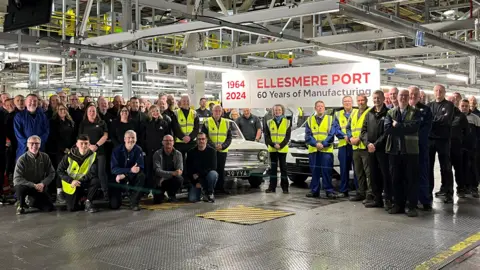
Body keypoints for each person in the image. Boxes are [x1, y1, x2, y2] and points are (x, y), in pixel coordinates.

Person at [384, 89, 421, 217]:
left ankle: (411, 206)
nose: (403, 98)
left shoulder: (415, 112)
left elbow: (414, 127)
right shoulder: (390, 112)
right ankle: (398, 205)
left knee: (411, 179)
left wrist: (398, 125)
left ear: (409, 97)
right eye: (401, 96)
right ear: (397, 97)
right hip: (394, 151)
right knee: (396, 179)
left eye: (406, 96)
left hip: (410, 151)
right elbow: (388, 129)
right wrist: (403, 127)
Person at [360, 90, 389, 209]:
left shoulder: (388, 113)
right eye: (374, 98)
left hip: (383, 150)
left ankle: (388, 199)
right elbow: (363, 131)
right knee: (373, 175)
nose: (376, 100)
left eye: (378, 98)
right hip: (371, 150)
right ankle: (377, 200)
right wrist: (368, 144)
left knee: (385, 175)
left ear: (383, 99)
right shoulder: (369, 113)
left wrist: (376, 144)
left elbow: (387, 132)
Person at [305, 101, 341, 198]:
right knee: (315, 171)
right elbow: (308, 136)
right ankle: (314, 191)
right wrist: (316, 144)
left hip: (326, 150)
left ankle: (329, 191)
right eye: (318, 106)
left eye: (322, 106)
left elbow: (331, 134)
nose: (320, 108)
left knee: (327, 172)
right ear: (315, 108)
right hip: (314, 150)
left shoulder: (330, 119)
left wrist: (323, 144)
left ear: (324, 108)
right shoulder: (309, 120)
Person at [57, 135, 100, 212]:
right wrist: (71, 181)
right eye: (81, 143)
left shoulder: (93, 155)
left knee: (96, 181)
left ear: (89, 144)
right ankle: (80, 199)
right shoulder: (69, 155)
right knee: (72, 208)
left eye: (86, 143)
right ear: (77, 144)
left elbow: (93, 172)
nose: (84, 146)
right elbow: (60, 171)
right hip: (71, 184)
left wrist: (81, 180)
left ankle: (88, 201)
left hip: (83, 181)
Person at [13, 135, 55, 215]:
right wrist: (33, 185)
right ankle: (20, 205)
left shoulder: (45, 157)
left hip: (39, 186)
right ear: (27, 145)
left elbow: (52, 173)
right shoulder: (22, 159)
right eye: (32, 143)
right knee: (19, 187)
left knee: (49, 208)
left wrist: (43, 183)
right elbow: (17, 179)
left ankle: (30, 201)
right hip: (26, 186)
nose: (34, 146)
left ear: (40, 145)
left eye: (37, 143)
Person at [427, 84, 455, 203]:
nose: (438, 93)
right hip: (430, 140)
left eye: (441, 91)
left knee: (446, 167)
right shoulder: (429, 105)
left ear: (444, 92)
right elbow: (427, 120)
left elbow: (446, 120)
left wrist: (432, 120)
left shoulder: (449, 105)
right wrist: (437, 119)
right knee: (429, 166)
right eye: (436, 91)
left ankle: (448, 191)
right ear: (434, 92)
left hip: (443, 140)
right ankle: (428, 191)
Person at [409, 86, 433, 211]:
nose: (412, 96)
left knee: (423, 173)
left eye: (415, 94)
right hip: (406, 148)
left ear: (419, 96)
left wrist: (413, 136)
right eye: (411, 93)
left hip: (421, 147)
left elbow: (426, 128)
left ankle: (425, 200)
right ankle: (409, 200)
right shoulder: (403, 109)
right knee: (408, 174)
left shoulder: (426, 110)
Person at [78, 103, 109, 199]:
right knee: (91, 173)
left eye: (93, 111)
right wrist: (88, 147)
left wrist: (96, 145)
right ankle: (91, 194)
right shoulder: (83, 124)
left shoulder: (102, 123)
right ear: (86, 113)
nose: (92, 113)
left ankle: (105, 193)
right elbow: (80, 138)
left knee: (101, 173)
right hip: (87, 153)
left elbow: (105, 136)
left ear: (96, 112)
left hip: (100, 152)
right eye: (90, 111)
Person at [47, 104, 76, 203]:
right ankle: (59, 192)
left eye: (64, 109)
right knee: (60, 171)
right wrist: (63, 149)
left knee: (69, 171)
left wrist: (72, 148)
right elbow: (54, 137)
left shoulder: (70, 122)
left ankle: (68, 191)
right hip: (59, 151)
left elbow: (73, 136)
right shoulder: (53, 122)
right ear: (56, 111)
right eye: (60, 109)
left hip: (70, 151)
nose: (62, 111)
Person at [110, 130, 145, 211]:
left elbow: (139, 168)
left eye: (133, 138)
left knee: (141, 176)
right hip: (117, 178)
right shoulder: (116, 150)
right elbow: (114, 169)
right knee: (114, 205)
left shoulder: (138, 149)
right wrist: (129, 170)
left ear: (136, 139)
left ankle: (134, 202)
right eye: (128, 138)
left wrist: (125, 174)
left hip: (130, 176)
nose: (131, 140)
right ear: (124, 139)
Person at [202, 105, 233, 194]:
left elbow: (229, 138)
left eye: (219, 111)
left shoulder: (226, 122)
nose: (218, 113)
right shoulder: (207, 122)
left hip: (222, 151)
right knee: (211, 169)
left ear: (222, 112)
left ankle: (221, 188)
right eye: (216, 111)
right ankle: (211, 188)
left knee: (221, 169)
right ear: (212, 111)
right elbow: (204, 136)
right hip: (210, 151)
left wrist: (223, 146)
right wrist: (213, 146)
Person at [347, 94, 372, 202]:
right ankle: (361, 192)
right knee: (358, 172)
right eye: (359, 100)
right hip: (355, 148)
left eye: (362, 100)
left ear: (366, 101)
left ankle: (370, 194)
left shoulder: (370, 112)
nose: (360, 102)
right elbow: (348, 127)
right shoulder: (354, 112)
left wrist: (359, 139)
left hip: (365, 147)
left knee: (369, 173)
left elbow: (370, 129)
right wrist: (350, 137)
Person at [264, 104, 292, 194]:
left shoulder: (287, 122)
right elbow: (267, 137)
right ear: (273, 111)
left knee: (283, 169)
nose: (277, 111)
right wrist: (273, 145)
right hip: (273, 149)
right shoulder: (269, 122)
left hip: (282, 149)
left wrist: (280, 145)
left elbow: (287, 137)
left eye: (279, 110)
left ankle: (285, 188)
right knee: (273, 169)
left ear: (282, 111)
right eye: (276, 110)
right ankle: (272, 187)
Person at [14, 94, 49, 160]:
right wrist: (29, 144)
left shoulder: (43, 116)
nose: (32, 103)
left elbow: (46, 131)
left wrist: (38, 143)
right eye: (30, 100)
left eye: (35, 101)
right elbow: (18, 133)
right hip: (24, 149)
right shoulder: (19, 116)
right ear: (25, 102)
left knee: (39, 167)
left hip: (40, 148)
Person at [144, 105, 171, 190]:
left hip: (161, 152)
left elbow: (168, 137)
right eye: (153, 111)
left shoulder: (164, 123)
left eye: (157, 111)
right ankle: (150, 190)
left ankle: (162, 189)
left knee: (161, 171)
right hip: (149, 151)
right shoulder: (146, 123)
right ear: (150, 113)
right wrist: (144, 150)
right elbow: (142, 137)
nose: (155, 113)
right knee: (150, 171)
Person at [446, 95, 469, 198]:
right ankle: (447, 190)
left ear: (456, 102)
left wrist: (461, 142)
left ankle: (461, 188)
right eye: (449, 101)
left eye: (453, 101)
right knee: (446, 169)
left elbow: (466, 132)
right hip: (445, 147)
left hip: (457, 147)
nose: (451, 102)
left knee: (458, 169)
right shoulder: (444, 114)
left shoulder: (461, 116)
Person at [335, 96, 357, 198]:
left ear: (352, 102)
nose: (347, 103)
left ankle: (359, 191)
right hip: (343, 145)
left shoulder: (357, 112)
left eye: (349, 101)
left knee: (357, 169)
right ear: (342, 103)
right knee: (343, 169)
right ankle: (344, 190)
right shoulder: (337, 114)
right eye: (345, 101)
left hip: (355, 144)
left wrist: (352, 137)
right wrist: (344, 136)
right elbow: (336, 128)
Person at [186, 133, 218, 202]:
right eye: (199, 139)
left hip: (207, 178)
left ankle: (209, 193)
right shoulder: (190, 152)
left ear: (206, 140)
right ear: (196, 141)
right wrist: (195, 183)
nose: (201, 141)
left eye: (203, 139)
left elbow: (213, 167)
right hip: (197, 180)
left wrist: (199, 174)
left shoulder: (212, 151)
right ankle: (201, 193)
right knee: (192, 199)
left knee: (213, 174)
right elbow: (188, 169)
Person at [152, 135, 183, 203]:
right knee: (157, 201)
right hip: (160, 181)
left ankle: (172, 195)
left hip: (169, 180)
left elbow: (179, 171)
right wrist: (172, 173)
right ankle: (162, 195)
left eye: (170, 140)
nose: (168, 142)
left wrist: (165, 177)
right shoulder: (157, 154)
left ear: (173, 142)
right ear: (162, 142)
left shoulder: (178, 154)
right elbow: (157, 171)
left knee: (179, 179)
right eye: (166, 141)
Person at [459, 99, 480, 198]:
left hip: (472, 148)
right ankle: (462, 188)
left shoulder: (475, 118)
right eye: (462, 106)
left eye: (466, 106)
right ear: (459, 106)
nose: (464, 108)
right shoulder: (455, 117)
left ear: (469, 107)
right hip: (458, 148)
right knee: (460, 168)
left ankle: (474, 188)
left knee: (473, 167)